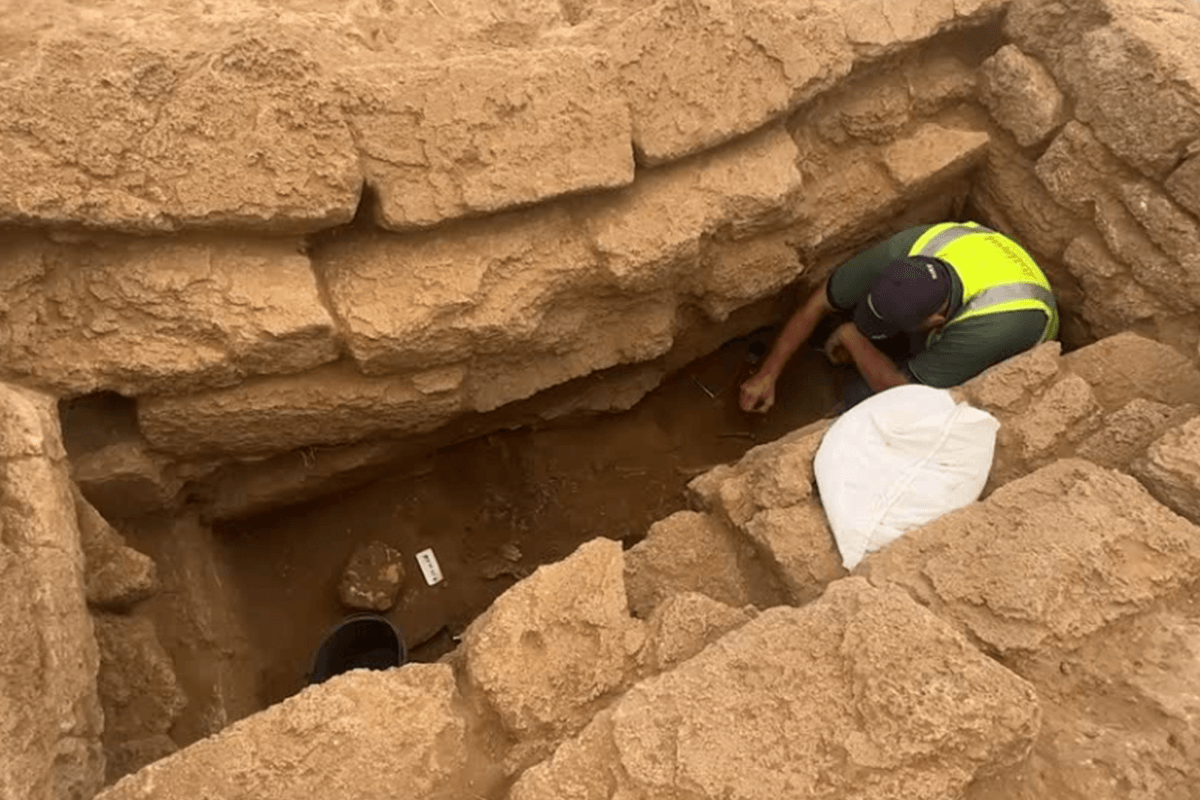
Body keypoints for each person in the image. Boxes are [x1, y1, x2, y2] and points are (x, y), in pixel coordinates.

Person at [740, 221, 1058, 414]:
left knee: (861, 399)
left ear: (935, 321)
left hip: (1008, 342)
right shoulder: (900, 255)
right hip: (978, 275)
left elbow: (904, 393)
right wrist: (768, 373)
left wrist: (853, 337)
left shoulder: (985, 332)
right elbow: (818, 304)